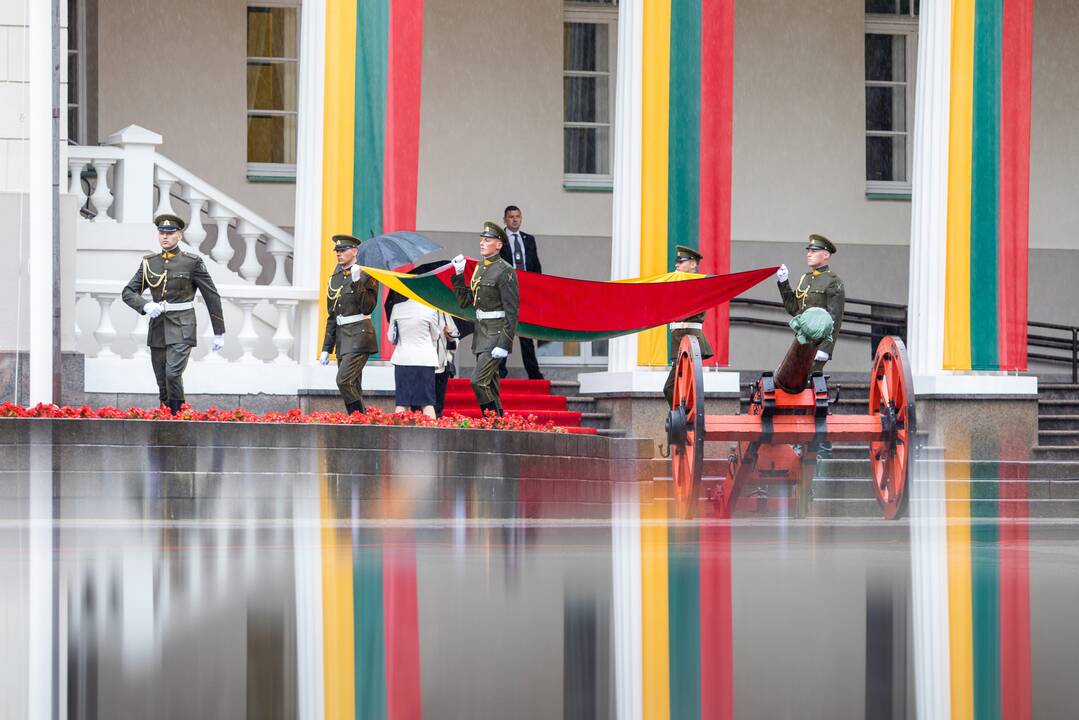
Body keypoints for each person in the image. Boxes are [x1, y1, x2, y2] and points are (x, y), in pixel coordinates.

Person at [121, 213, 225, 413]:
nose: (165, 237)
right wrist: (145, 305)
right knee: (161, 378)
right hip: (158, 327)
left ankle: (178, 414)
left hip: (183, 326)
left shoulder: (191, 262)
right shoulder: (149, 263)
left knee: (172, 374)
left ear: (180, 235)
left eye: (170, 233)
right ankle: (166, 414)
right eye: (162, 233)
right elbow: (128, 292)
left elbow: (211, 295)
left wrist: (219, 331)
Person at [451, 222, 520, 416]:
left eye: (487, 240)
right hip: (481, 332)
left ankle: (490, 420)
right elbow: (465, 302)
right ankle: (499, 422)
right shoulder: (480, 268)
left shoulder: (505, 270)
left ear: (499, 245)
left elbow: (512, 311)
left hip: (496, 334)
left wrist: (505, 343)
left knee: (478, 381)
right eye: (481, 240)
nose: (482, 243)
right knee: (490, 383)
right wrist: (458, 274)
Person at [319, 234, 380, 414]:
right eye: (337, 251)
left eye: (343, 250)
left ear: (355, 251)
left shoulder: (366, 275)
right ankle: (358, 422)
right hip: (342, 338)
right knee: (353, 384)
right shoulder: (335, 278)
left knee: (343, 380)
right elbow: (332, 315)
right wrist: (326, 348)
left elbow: (367, 307)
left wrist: (357, 283)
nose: (339, 253)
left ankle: (359, 417)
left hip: (360, 336)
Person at [776, 234, 846, 374]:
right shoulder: (805, 278)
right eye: (808, 251)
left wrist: (825, 349)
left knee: (806, 381)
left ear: (826, 254)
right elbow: (794, 309)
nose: (809, 254)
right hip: (800, 342)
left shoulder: (833, 281)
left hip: (818, 344)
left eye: (814, 251)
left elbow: (835, 318)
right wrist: (784, 282)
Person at [497, 205, 544, 380]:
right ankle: (500, 371)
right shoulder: (498, 239)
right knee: (505, 330)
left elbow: (536, 266)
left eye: (517, 216)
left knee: (526, 333)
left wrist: (538, 288)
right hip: (507, 291)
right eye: (511, 217)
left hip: (527, 291)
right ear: (505, 219)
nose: (515, 219)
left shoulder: (529, 239)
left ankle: (534, 374)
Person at [663, 245, 713, 406]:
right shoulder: (675, 284)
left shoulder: (701, 283)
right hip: (680, 341)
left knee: (672, 388)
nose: (676, 264)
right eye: (676, 261)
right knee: (673, 388)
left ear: (693, 264)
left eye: (681, 261)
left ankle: (682, 419)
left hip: (691, 340)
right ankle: (681, 418)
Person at [387, 295, 442, 418]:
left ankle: (399, 435)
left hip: (403, 359)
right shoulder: (431, 309)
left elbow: (391, 337)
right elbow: (435, 336)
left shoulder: (397, 308)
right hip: (425, 360)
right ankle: (430, 435)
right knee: (427, 404)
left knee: (402, 404)